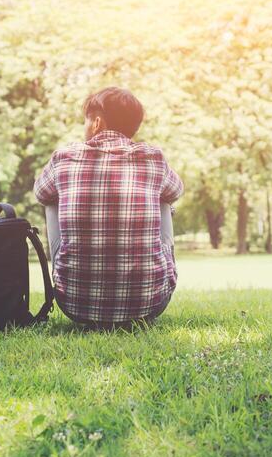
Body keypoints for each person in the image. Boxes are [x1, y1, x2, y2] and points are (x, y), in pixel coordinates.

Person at [33, 86, 184, 330]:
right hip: (150, 303)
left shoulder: (64, 158)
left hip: (74, 303)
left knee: (51, 198)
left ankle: (68, 275)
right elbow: (176, 192)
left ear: (97, 122)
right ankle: (155, 276)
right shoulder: (153, 158)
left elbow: (40, 193)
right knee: (164, 198)